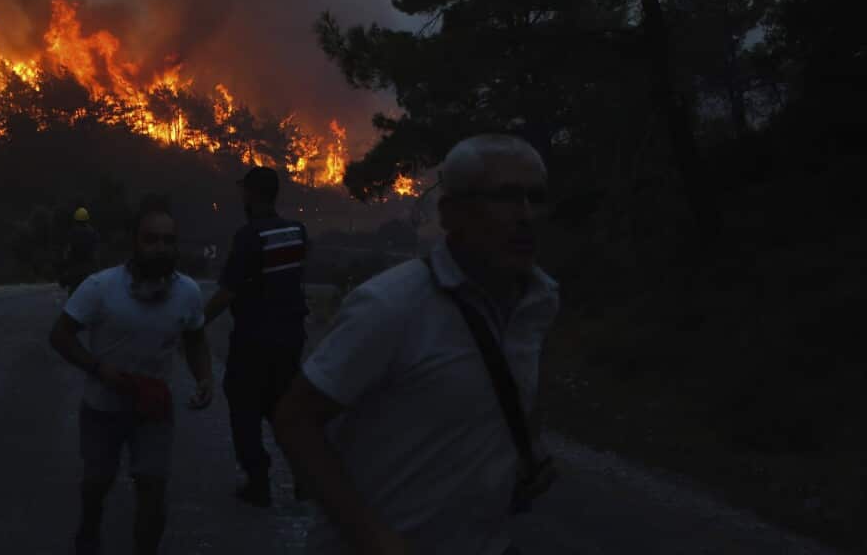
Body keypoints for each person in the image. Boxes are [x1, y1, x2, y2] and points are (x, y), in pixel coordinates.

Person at [274, 134, 560, 555]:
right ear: (451, 214)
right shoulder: (392, 306)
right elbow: (295, 420)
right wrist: (374, 539)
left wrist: (526, 455)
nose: (525, 215)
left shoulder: (539, 301)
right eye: (505, 197)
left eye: (535, 198)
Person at [48, 194, 214, 555]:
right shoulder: (99, 287)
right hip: (102, 407)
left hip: (153, 409)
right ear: (134, 243)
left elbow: (196, 340)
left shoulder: (187, 292)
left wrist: (204, 379)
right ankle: (89, 532)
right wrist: (98, 368)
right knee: (97, 482)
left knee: (152, 488)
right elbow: (59, 335)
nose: (160, 247)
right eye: (151, 239)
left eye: (168, 240)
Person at [203, 165, 310, 507]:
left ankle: (258, 480)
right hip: (291, 338)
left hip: (254, 340)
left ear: (251, 194)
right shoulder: (297, 231)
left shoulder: (249, 237)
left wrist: (194, 323)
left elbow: (228, 293)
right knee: (285, 409)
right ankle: (305, 479)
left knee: (244, 408)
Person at [59, 207, 100, 294]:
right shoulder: (92, 233)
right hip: (89, 269)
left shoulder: (72, 233)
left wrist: (65, 267)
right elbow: (95, 252)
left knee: (74, 295)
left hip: (75, 269)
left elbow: (67, 252)